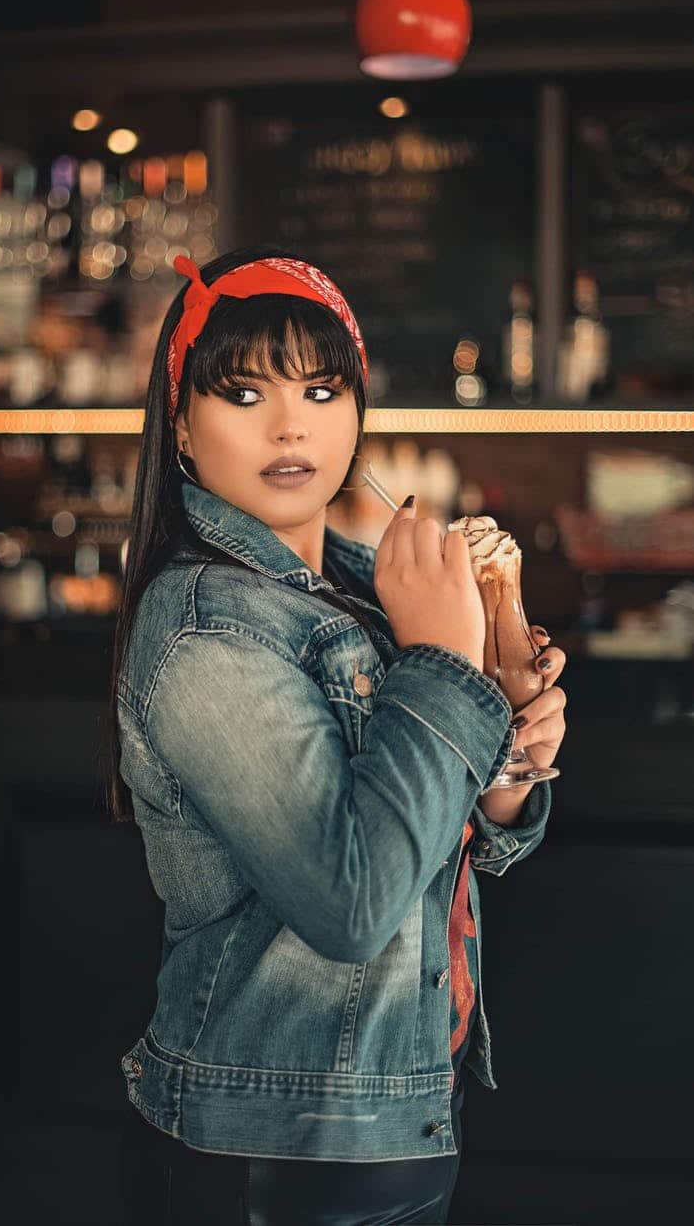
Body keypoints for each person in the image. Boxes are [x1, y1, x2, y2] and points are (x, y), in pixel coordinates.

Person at [107, 244, 566, 1225]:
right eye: (240, 391)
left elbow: (451, 841)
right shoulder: (206, 629)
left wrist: (510, 765)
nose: (288, 424)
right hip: (274, 1149)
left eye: (320, 388)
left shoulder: (363, 586)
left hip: (397, 1107)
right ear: (181, 424)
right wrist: (443, 661)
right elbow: (351, 901)